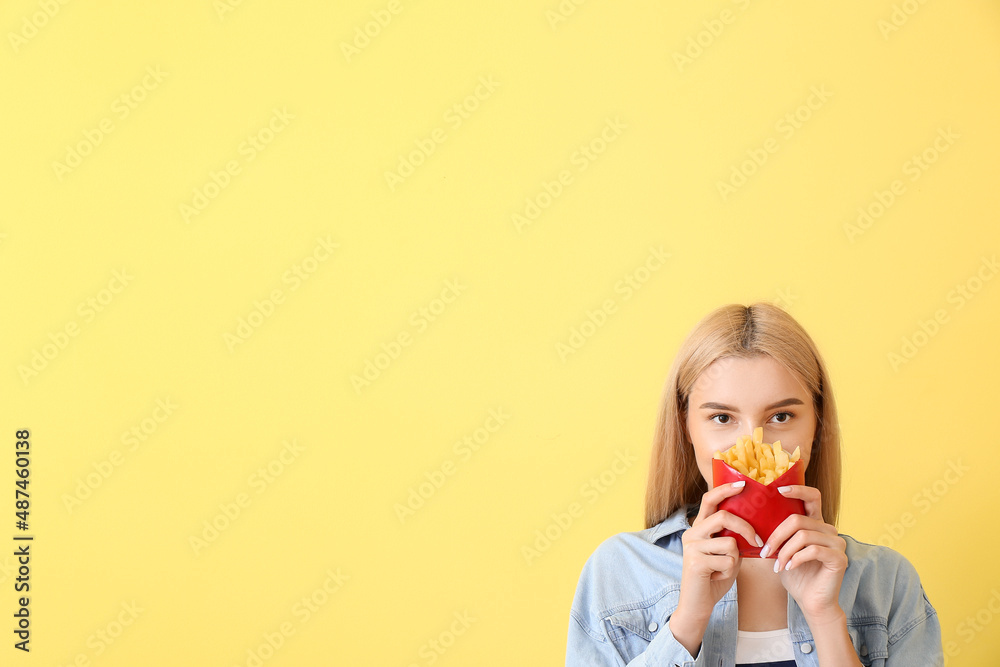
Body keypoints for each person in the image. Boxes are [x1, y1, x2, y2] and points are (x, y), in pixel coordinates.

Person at [565, 303, 943, 666]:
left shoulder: (888, 583)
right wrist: (687, 622)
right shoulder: (619, 571)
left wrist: (826, 618)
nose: (754, 443)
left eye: (782, 415)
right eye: (722, 418)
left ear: (817, 426)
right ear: (686, 427)